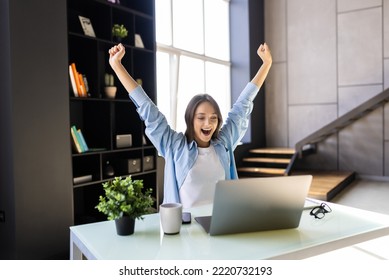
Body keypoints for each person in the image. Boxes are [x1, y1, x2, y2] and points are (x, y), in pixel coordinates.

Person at [108, 42, 272, 209]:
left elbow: (243, 104)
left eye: (213, 118)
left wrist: (266, 64)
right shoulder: (174, 145)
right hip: (185, 229)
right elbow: (147, 108)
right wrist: (117, 66)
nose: (208, 123)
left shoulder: (224, 144)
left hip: (221, 225)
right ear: (190, 119)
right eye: (201, 117)